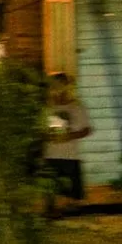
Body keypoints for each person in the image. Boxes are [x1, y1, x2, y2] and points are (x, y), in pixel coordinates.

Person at [43, 73, 92, 218]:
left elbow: (87, 129)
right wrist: (48, 136)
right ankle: (51, 213)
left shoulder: (77, 107)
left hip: (70, 155)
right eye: (54, 85)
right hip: (52, 153)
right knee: (51, 186)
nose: (58, 88)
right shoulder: (48, 108)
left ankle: (70, 212)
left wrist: (70, 136)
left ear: (67, 86)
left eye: (61, 84)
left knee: (72, 191)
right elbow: (40, 131)